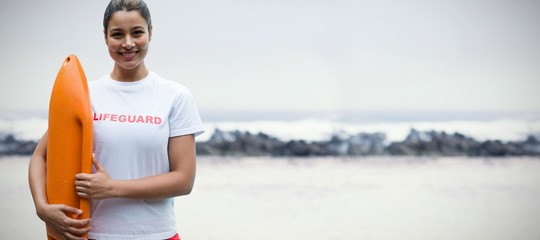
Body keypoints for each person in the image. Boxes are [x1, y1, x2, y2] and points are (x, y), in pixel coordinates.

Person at [28, 0, 204, 239]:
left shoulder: (175, 96)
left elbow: (183, 180)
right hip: (95, 234)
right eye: (118, 34)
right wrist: (42, 208)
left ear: (151, 32)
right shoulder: (85, 95)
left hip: (157, 234)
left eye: (137, 32)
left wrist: (111, 188)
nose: (128, 43)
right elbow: (40, 156)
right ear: (105, 37)